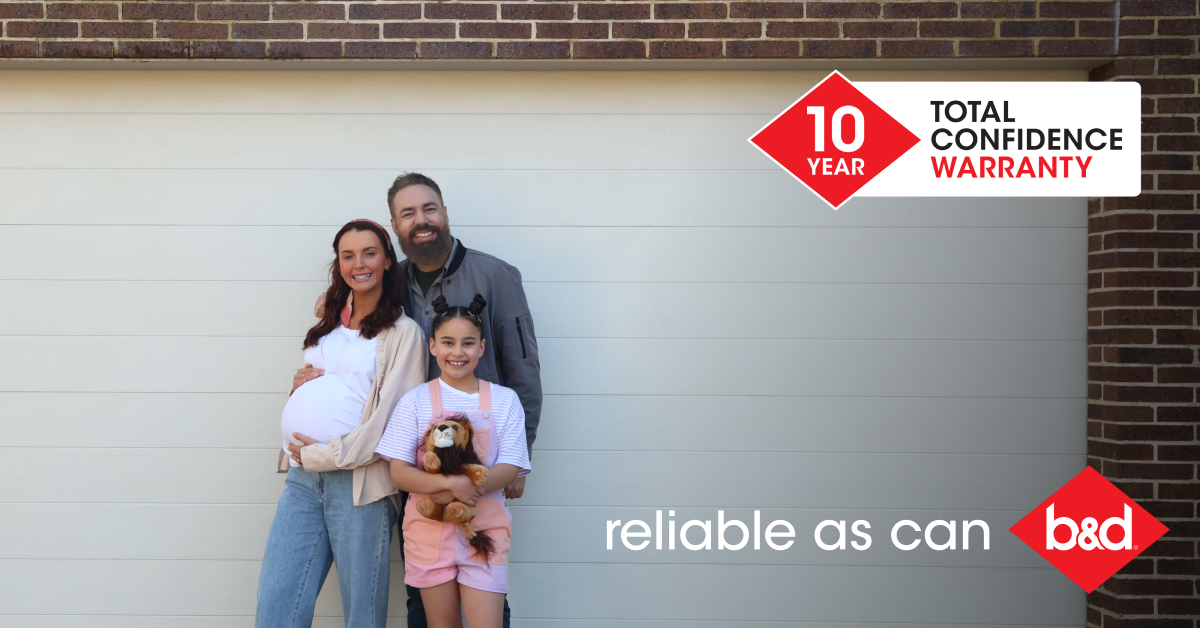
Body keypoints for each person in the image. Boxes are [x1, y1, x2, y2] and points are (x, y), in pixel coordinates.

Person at [300, 173, 542, 627]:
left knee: (485, 579)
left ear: (445, 212)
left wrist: (520, 455)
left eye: (429, 208)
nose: (421, 221)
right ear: (395, 226)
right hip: (409, 465)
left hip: (482, 466)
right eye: (408, 213)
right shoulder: (390, 283)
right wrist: (313, 372)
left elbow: (523, 366)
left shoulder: (496, 275)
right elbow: (356, 342)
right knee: (422, 584)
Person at [257, 220, 427, 628]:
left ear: (387, 260)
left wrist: (321, 453)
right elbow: (324, 391)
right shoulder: (326, 325)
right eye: (347, 255)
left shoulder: (404, 333)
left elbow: (393, 424)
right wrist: (295, 391)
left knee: (362, 616)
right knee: (277, 606)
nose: (359, 263)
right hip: (301, 481)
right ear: (339, 264)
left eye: (369, 253)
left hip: (360, 486)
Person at [375, 294, 530, 628]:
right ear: (432, 346)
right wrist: (449, 484)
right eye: (448, 342)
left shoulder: (504, 401)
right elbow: (400, 472)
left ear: (482, 347)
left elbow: (510, 466)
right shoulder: (414, 401)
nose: (458, 353)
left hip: (484, 533)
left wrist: (465, 490)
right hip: (428, 533)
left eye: (468, 343)